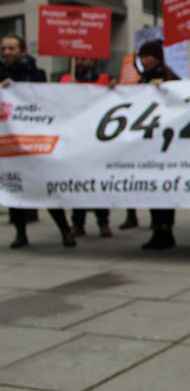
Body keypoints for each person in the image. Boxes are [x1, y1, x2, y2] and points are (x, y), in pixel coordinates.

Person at [0, 34, 75, 248]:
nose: (7, 53)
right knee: (15, 188)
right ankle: (20, 233)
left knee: (45, 185)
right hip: (10, 143)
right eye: (4, 49)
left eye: (12, 48)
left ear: (23, 51)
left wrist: (18, 88)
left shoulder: (37, 74)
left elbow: (44, 99)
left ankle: (65, 230)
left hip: (35, 140)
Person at [60, 57, 113, 238]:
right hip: (76, 139)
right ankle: (78, 222)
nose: (83, 63)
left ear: (93, 61)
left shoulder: (103, 80)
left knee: (98, 182)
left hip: (98, 138)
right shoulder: (66, 80)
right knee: (78, 182)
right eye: (79, 59)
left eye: (86, 59)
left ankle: (103, 221)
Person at [136, 39, 179, 249]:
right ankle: (157, 229)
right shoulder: (142, 79)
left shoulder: (168, 76)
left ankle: (167, 229)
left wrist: (166, 88)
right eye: (141, 56)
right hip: (148, 141)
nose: (144, 60)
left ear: (157, 57)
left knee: (164, 186)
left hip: (165, 141)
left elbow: (181, 96)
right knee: (152, 186)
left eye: (147, 56)